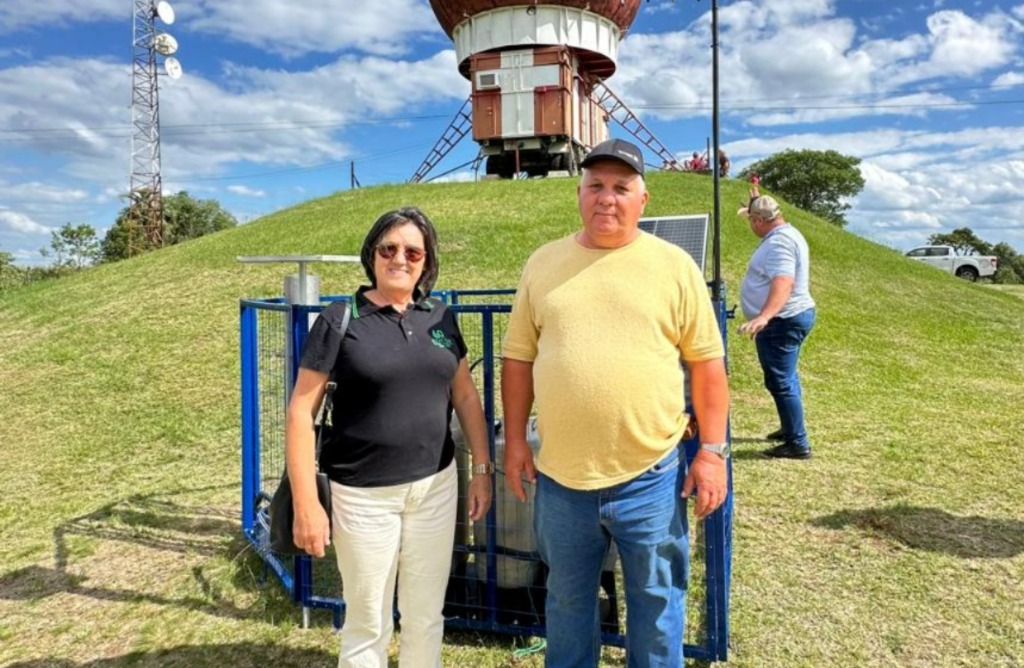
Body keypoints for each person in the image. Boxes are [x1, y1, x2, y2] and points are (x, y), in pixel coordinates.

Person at [501, 138, 731, 667]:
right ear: (579, 193)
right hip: (560, 479)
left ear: (643, 199)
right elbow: (517, 361)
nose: (607, 198)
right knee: (567, 604)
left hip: (649, 476)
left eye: (621, 188)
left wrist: (712, 452)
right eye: (595, 186)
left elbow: (707, 365)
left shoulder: (673, 266)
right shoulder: (544, 262)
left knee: (656, 607)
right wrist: (515, 442)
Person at [285, 207, 493, 667]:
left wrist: (481, 469)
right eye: (389, 248)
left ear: (427, 261)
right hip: (363, 498)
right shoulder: (341, 319)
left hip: (436, 489)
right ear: (372, 254)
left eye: (413, 251)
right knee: (368, 620)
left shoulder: (440, 318)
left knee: (425, 615)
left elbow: (465, 396)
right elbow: (301, 411)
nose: (401, 258)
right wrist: (306, 503)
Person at [738, 193, 816, 459]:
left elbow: (783, 281)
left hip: (782, 321)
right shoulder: (786, 233)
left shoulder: (778, 244)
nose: (750, 225)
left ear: (760, 221)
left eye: (751, 220)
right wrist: (756, 200)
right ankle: (790, 427)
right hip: (790, 318)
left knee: (781, 381)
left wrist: (764, 317)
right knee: (785, 377)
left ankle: (797, 443)